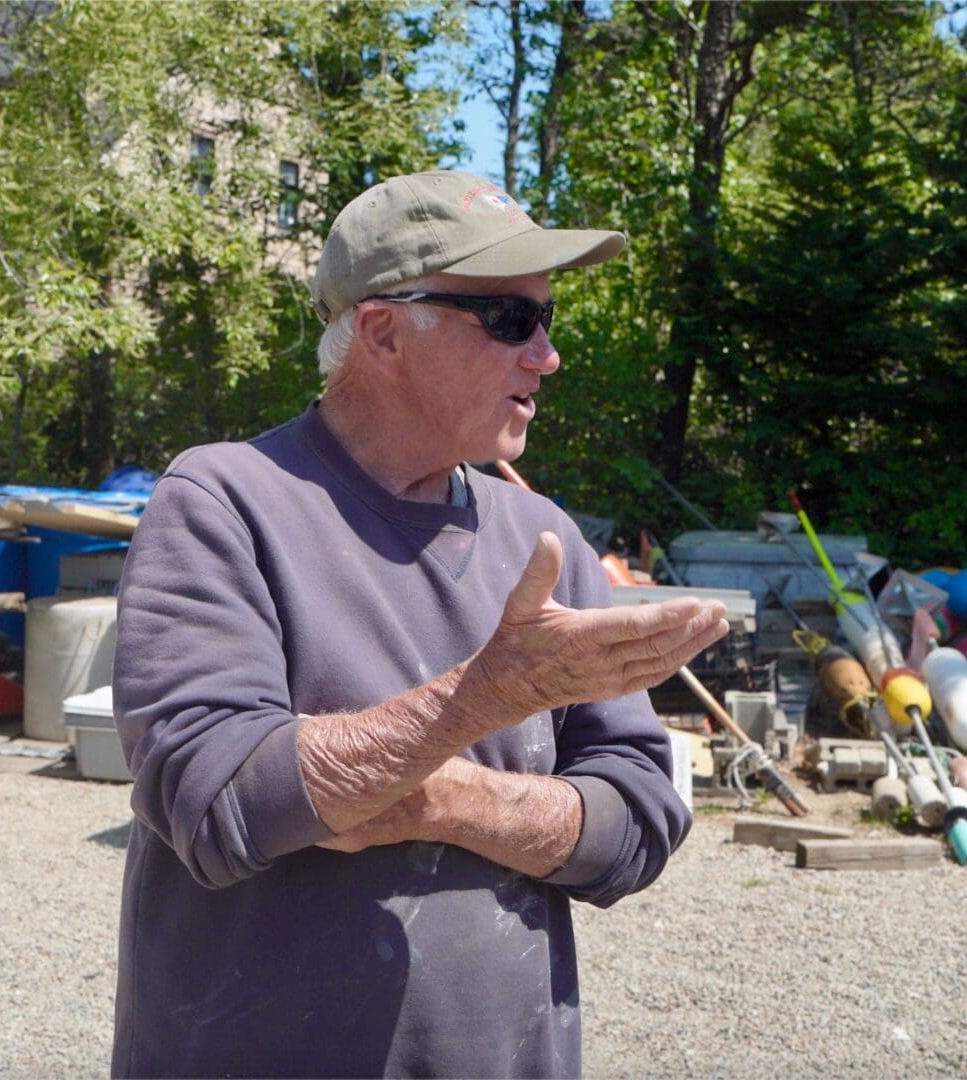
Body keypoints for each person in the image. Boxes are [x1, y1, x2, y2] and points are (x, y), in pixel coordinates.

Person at [110, 169, 729, 1078]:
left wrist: (443, 798)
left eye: (549, 320)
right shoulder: (223, 500)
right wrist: (486, 701)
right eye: (512, 321)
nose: (547, 355)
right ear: (384, 332)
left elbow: (636, 827)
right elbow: (219, 803)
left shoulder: (544, 538)